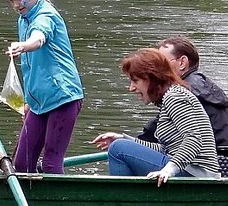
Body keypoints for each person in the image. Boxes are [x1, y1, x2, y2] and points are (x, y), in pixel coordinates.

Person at [0, 0, 84, 174]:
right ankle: (33, 202)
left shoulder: (46, 16)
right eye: (11, 0)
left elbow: (39, 38)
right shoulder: (23, 19)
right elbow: (31, 67)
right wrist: (28, 100)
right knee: (22, 164)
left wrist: (23, 46)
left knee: (51, 163)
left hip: (63, 97)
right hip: (38, 101)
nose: (17, 5)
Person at [91, 48, 219, 185]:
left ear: (152, 78)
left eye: (135, 81)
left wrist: (168, 170)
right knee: (120, 144)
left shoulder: (174, 97)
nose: (131, 88)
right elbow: (165, 149)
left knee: (118, 148)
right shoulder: (170, 97)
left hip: (195, 174)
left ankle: (123, 203)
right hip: (189, 170)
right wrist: (125, 139)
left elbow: (194, 139)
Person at [141, 36, 228, 158]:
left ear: (182, 63)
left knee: (121, 149)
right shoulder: (206, 88)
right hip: (224, 161)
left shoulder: (183, 92)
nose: (156, 70)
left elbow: (156, 133)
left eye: (162, 63)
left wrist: (130, 143)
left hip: (200, 164)